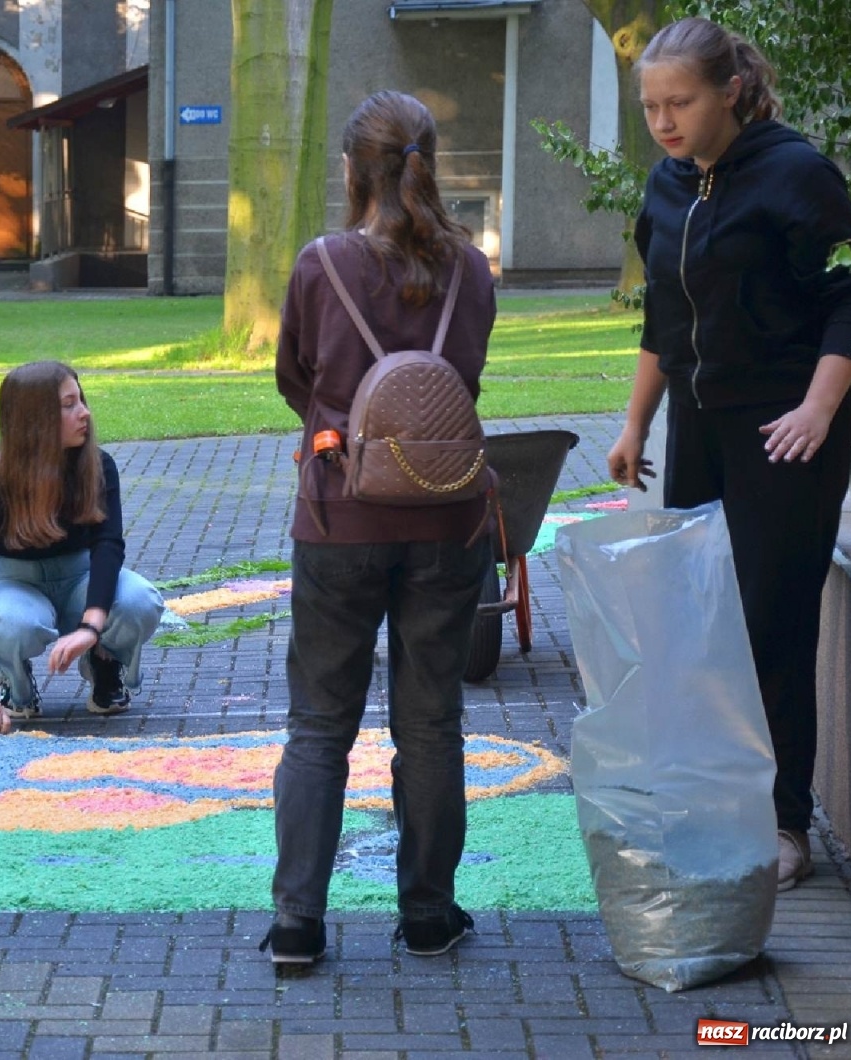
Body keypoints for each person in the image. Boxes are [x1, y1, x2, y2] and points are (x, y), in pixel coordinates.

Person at [606, 18, 851, 892]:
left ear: (732, 93)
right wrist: (636, 425)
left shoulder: (799, 174)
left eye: (680, 102)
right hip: (698, 429)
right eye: (650, 107)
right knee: (699, 628)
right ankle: (713, 802)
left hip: (786, 432)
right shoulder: (669, 184)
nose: (665, 121)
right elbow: (663, 321)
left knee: (771, 627)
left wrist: (820, 409)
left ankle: (784, 822)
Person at [262, 91, 497, 967]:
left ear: (353, 169)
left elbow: (295, 375)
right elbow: (465, 377)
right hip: (448, 515)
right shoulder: (472, 271)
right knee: (432, 725)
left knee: (319, 725)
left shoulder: (321, 264)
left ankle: (297, 924)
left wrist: (344, 425)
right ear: (431, 163)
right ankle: (429, 914)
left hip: (339, 514)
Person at [0, 360, 164, 735]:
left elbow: (108, 548)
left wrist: (91, 629)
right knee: (13, 624)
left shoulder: (97, 465)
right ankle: (14, 684)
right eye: (69, 405)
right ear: (35, 419)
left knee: (138, 601)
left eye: (81, 400)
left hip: (82, 578)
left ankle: (105, 662)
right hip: (17, 584)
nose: (85, 413)